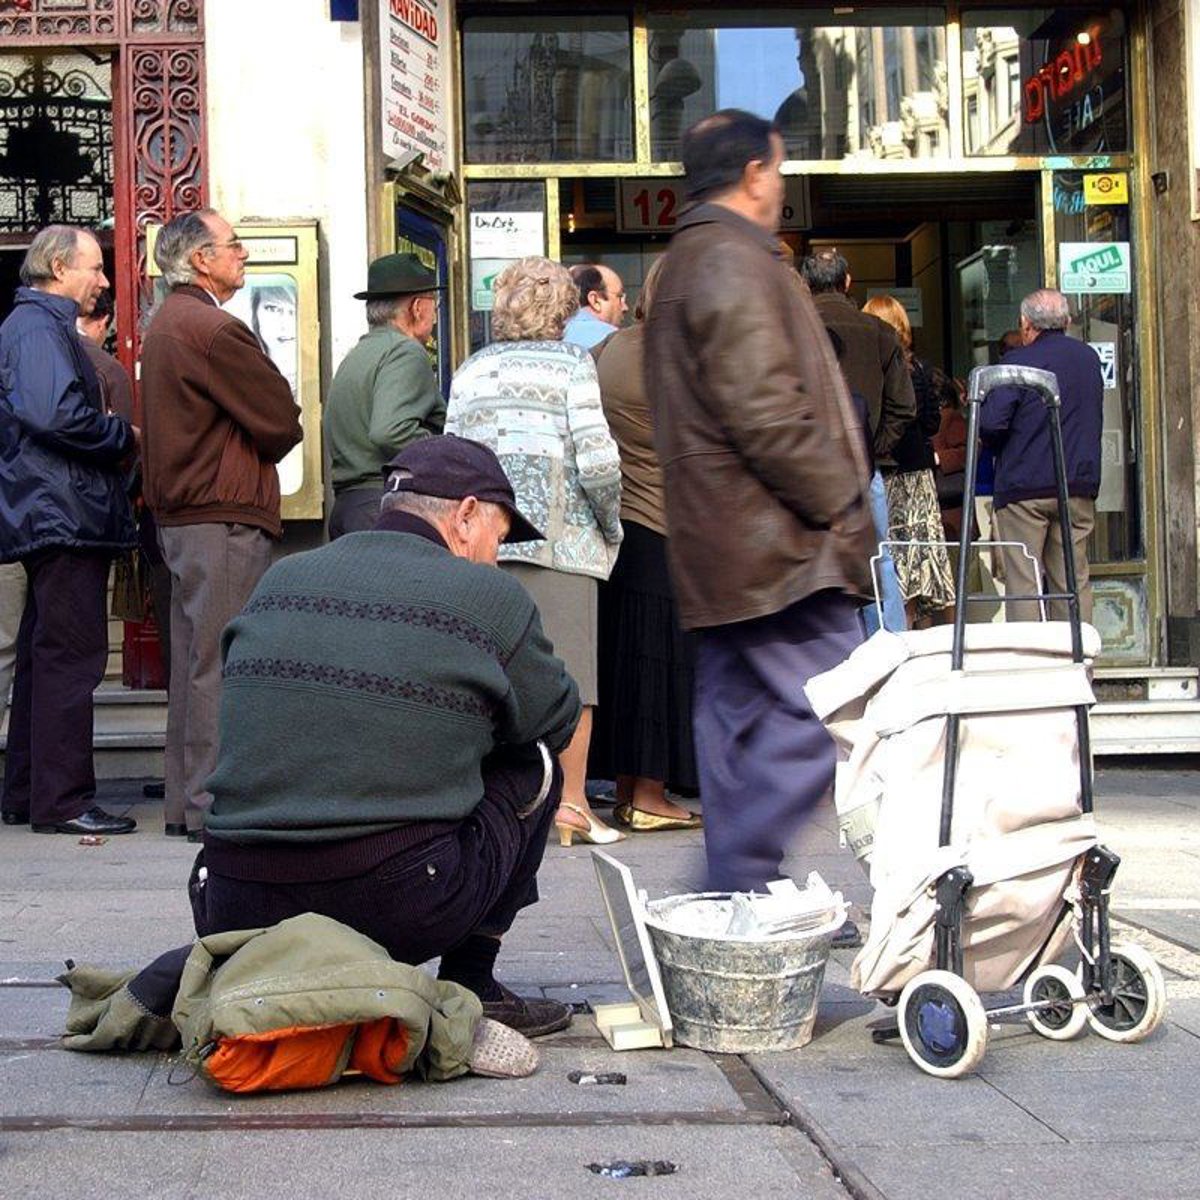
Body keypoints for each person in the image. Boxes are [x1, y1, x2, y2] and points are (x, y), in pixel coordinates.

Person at [190, 435, 582, 1040]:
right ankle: (473, 985)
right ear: (466, 516)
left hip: (233, 902)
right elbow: (556, 716)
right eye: (498, 540)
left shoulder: (279, 578)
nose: (495, 560)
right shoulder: (487, 596)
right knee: (535, 762)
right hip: (396, 903)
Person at [644, 110, 874, 915]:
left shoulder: (694, 258)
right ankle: (733, 879)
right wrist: (840, 503)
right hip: (778, 546)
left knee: (736, 724)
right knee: (829, 707)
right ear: (752, 174)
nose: (781, 185)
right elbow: (766, 413)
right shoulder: (729, 260)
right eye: (777, 169)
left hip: (730, 544)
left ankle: (736, 894)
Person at [446, 256, 625, 847]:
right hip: (563, 542)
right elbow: (598, 462)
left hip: (486, 545)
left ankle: (492, 804)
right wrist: (610, 525)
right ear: (563, 309)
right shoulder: (573, 365)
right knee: (572, 678)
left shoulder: (471, 369)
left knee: (489, 678)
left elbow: (452, 458)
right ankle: (571, 805)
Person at [140, 209, 302, 841]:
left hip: (187, 516)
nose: (244, 254)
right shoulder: (211, 327)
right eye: (233, 245)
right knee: (219, 663)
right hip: (220, 516)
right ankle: (212, 805)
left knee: (194, 662)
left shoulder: (169, 322)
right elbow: (280, 418)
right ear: (200, 259)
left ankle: (186, 802)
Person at [0, 225, 138, 835]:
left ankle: (29, 791)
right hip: (61, 511)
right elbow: (55, 414)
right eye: (95, 267)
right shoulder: (36, 327)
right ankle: (61, 801)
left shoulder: (38, 325)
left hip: (53, 509)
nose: (103, 280)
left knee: (46, 656)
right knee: (71, 659)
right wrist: (121, 435)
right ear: (59, 268)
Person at [589, 256, 701, 833]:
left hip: (621, 527)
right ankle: (651, 796)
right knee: (660, 667)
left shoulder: (610, 349)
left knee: (630, 663)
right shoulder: (678, 358)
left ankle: (632, 789)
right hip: (668, 522)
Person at [802, 248, 915, 634]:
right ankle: (889, 642)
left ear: (805, 283)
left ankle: (833, 644)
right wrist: (875, 447)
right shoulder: (879, 332)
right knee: (878, 557)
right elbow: (904, 406)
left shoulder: (794, 329)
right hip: (867, 467)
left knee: (817, 561)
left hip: (807, 464)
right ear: (847, 282)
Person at [980, 289, 1103, 623]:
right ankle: (1077, 652)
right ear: (1067, 321)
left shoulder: (1017, 361)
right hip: (1076, 483)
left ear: (1025, 324)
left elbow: (991, 424)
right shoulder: (1088, 359)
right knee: (1073, 581)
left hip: (1024, 487)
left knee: (1025, 583)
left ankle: (1029, 654)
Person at [324, 253, 446, 538]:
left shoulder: (358, 354)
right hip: (382, 508)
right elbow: (390, 432)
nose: (435, 315)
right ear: (417, 308)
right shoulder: (406, 351)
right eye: (434, 304)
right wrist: (443, 450)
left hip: (348, 507)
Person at [862, 294, 956, 627]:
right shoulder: (920, 368)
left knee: (890, 550)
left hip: (886, 473)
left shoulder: (871, 370)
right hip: (918, 473)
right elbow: (931, 422)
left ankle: (900, 625)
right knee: (922, 552)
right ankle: (928, 626)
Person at [562, 263, 627, 349]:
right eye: (620, 296)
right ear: (595, 300)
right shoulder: (615, 340)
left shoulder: (550, 335)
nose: (625, 307)